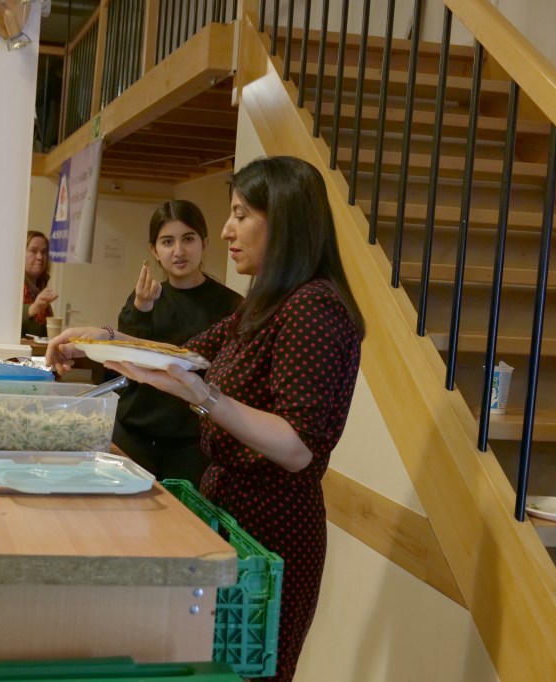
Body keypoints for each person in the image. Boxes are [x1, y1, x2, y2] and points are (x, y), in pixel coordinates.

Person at [48, 156, 365, 681]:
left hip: (273, 527)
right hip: (231, 511)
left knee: (247, 670)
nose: (226, 231)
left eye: (240, 215)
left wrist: (204, 395)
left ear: (283, 220)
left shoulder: (314, 307)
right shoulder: (267, 302)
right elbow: (185, 356)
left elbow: (296, 447)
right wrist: (101, 340)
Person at [114, 200, 242, 486]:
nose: (179, 251)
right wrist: (141, 308)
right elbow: (127, 361)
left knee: (183, 514)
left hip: (193, 442)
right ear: (154, 250)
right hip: (133, 435)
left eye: (188, 239)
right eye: (167, 241)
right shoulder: (142, 299)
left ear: (204, 243)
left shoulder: (232, 306)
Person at [22, 230, 58, 337]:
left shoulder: (41, 287)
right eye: (33, 251)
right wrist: (33, 308)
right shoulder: (13, 284)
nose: (40, 257)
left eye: (43, 252)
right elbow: (3, 321)